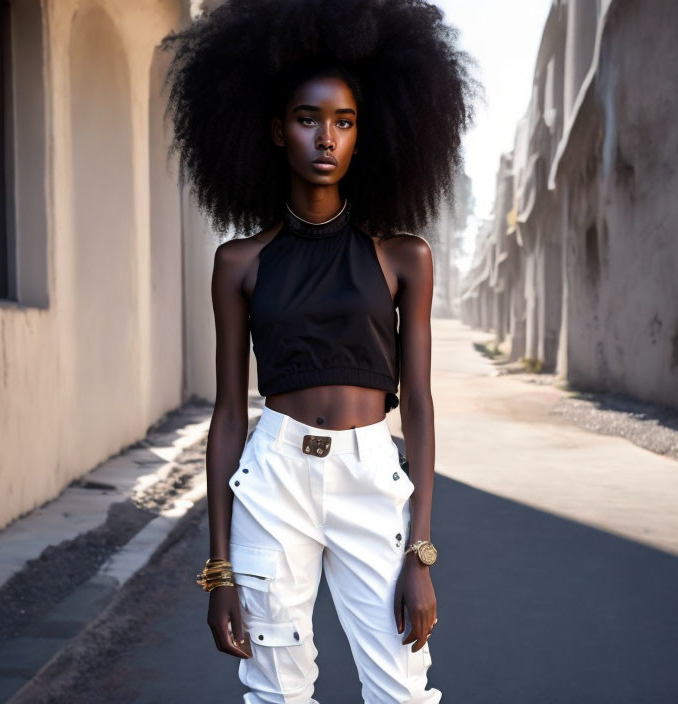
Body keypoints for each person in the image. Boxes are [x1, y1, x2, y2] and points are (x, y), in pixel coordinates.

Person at [163, 1, 478, 701]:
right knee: (276, 692)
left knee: (401, 689)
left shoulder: (403, 258)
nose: (326, 138)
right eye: (308, 119)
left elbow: (419, 406)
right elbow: (226, 416)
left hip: (372, 479)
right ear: (277, 131)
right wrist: (218, 572)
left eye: (344, 121)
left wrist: (420, 551)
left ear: (367, 135)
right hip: (274, 479)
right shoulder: (239, 262)